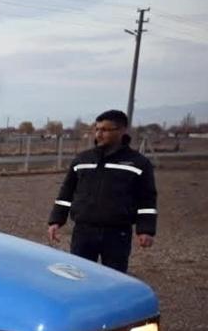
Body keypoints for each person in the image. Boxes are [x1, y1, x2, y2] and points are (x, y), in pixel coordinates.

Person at [47, 109, 157, 273]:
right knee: (79, 275)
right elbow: (66, 192)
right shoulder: (82, 160)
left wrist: (146, 229)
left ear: (121, 130)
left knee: (113, 278)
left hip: (117, 233)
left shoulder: (138, 163)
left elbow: (147, 199)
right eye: (97, 129)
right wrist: (56, 220)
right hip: (83, 231)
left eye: (105, 130)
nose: (99, 134)